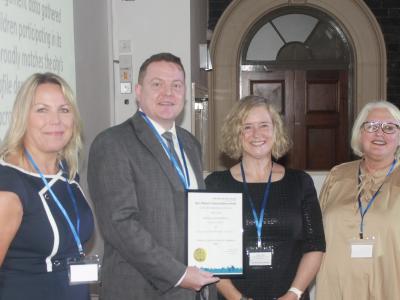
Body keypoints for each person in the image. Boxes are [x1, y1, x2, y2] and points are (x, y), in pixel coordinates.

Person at [87, 52, 219, 299]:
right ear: (138, 91)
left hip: (194, 289)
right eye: (157, 84)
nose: (168, 93)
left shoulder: (191, 144)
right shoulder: (112, 143)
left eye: (176, 86)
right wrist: (179, 274)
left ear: (185, 94)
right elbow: (121, 224)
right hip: (141, 290)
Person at [205, 95, 325, 300]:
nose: (256, 134)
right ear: (237, 133)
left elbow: (315, 245)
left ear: (275, 130)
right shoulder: (216, 184)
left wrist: (294, 294)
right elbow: (208, 251)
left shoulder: (300, 182)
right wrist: (236, 298)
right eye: (247, 127)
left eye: (264, 125)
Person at [0, 73, 94, 300]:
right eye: (42, 110)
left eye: (64, 110)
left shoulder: (67, 173)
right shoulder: (9, 187)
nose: (56, 121)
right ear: (23, 117)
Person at [315, 101, 400, 299]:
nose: (379, 133)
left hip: (389, 288)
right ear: (359, 134)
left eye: (389, 127)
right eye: (371, 126)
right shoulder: (337, 174)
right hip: (336, 288)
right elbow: (315, 235)